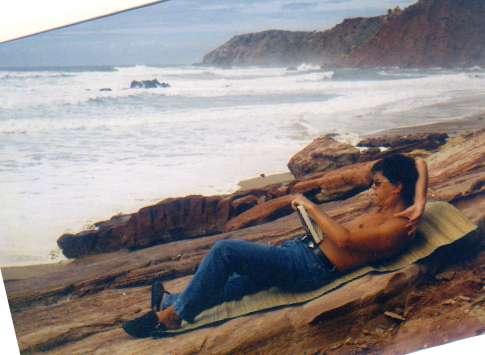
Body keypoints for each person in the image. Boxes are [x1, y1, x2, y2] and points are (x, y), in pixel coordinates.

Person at [123, 154, 428, 337]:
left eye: (377, 184)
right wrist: (422, 200)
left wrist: (308, 206)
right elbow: (419, 162)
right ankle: (172, 300)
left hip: (310, 267)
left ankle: (173, 317)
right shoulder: (401, 208)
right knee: (239, 283)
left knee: (224, 251)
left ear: (398, 186)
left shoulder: (399, 227)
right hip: (302, 252)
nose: (371, 190)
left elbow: (344, 240)